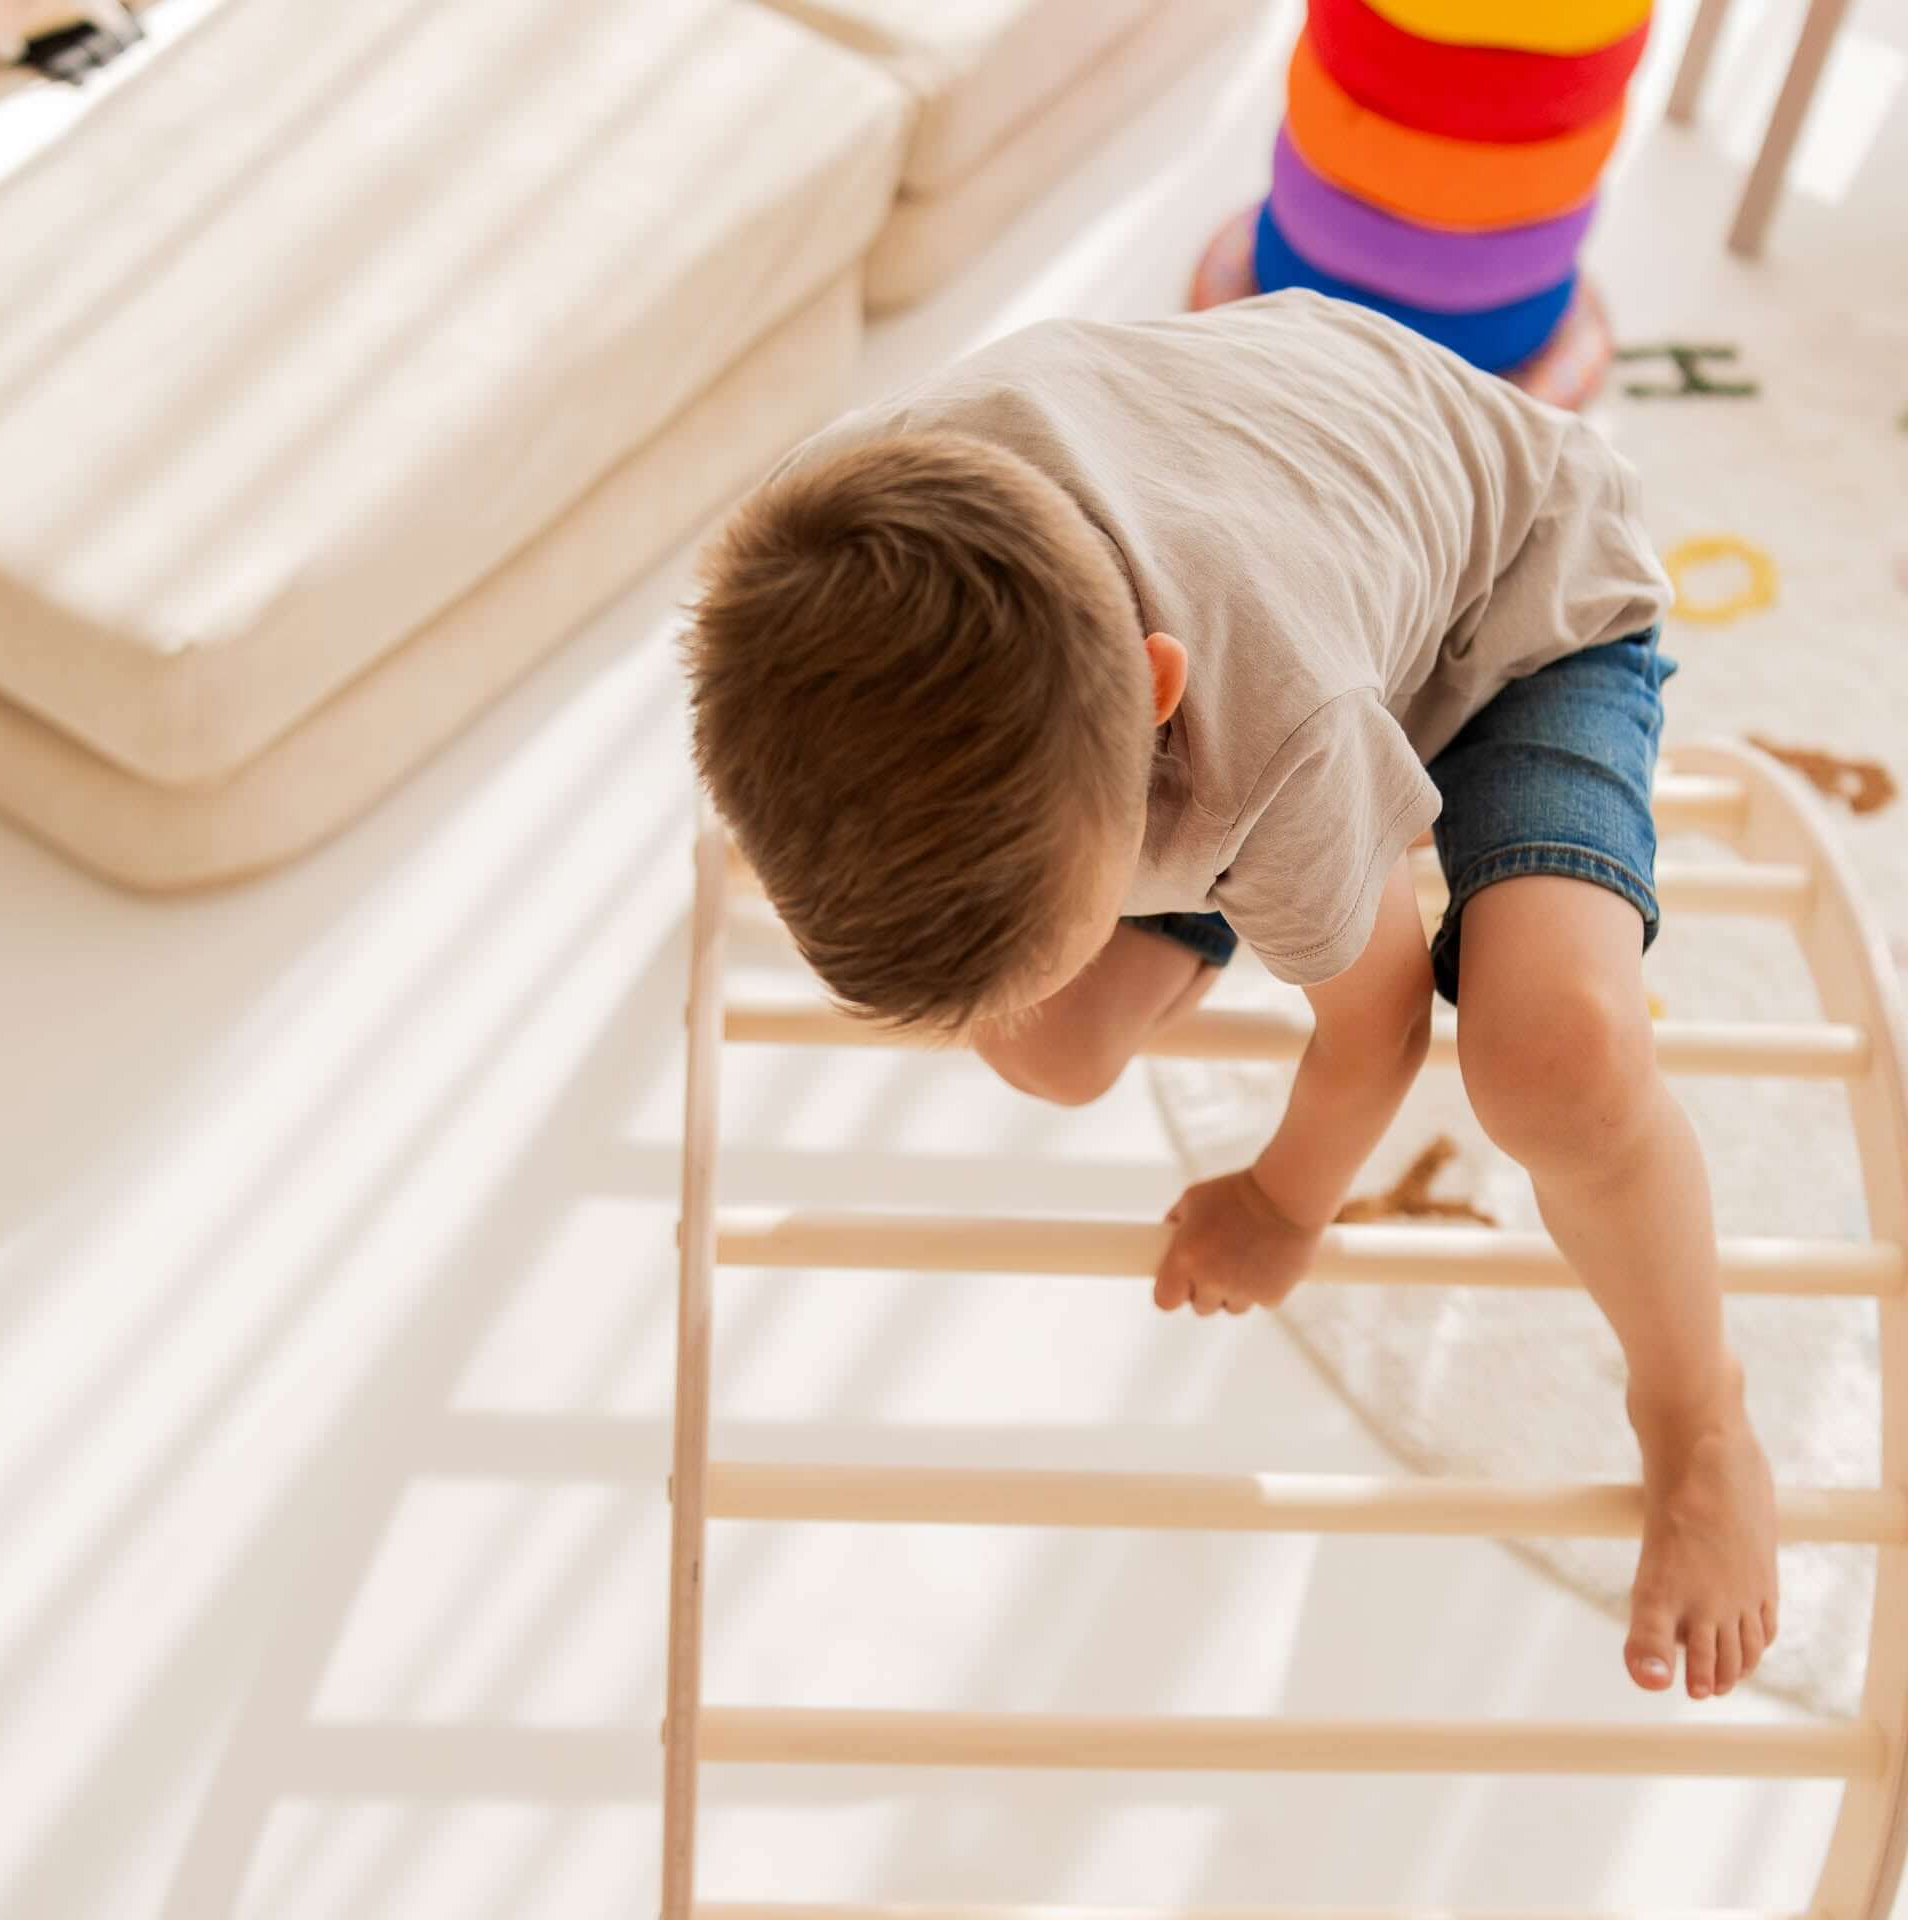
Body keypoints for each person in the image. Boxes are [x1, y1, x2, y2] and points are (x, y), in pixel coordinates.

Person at [686, 290, 1777, 1702]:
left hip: (1510, 608)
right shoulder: (798, 572)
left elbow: (1377, 1028)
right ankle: (1138, 897)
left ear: (1155, 712)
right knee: (1057, 1049)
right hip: (1261, 552)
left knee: (1550, 1054)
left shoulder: (1281, 739)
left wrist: (1279, 1204)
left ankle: (1701, 1416)